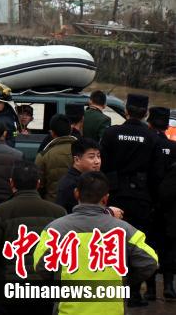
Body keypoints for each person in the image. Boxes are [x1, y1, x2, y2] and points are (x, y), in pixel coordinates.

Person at [33, 171, 159, 315]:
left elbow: (40, 265)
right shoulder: (124, 230)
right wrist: (123, 281)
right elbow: (150, 261)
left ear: (76, 193)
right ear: (106, 199)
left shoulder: (55, 229)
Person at [0, 161, 65, 315]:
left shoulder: (0, 212)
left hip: (9, 290)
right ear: (38, 183)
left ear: (11, 183)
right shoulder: (58, 213)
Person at [100, 93, 163, 307]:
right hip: (141, 197)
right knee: (137, 243)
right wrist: (153, 200)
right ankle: (134, 293)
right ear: (145, 113)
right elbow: (157, 174)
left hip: (115, 196)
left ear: (126, 110)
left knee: (114, 243)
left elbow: (103, 166)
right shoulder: (152, 137)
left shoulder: (111, 133)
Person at [147, 106, 176, 302]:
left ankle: (149, 290)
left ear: (149, 123)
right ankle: (168, 285)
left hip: (149, 202)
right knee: (169, 244)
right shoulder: (174, 147)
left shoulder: (148, 144)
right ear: (167, 126)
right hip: (171, 205)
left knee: (149, 245)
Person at [34, 114, 76, 202]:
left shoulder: (44, 155)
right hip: (77, 204)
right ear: (70, 130)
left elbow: (37, 184)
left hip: (52, 204)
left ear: (52, 133)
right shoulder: (82, 151)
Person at [54, 138, 101, 213]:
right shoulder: (72, 184)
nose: (97, 161)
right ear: (77, 160)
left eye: (98, 156)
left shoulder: (86, 178)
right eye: (91, 157)